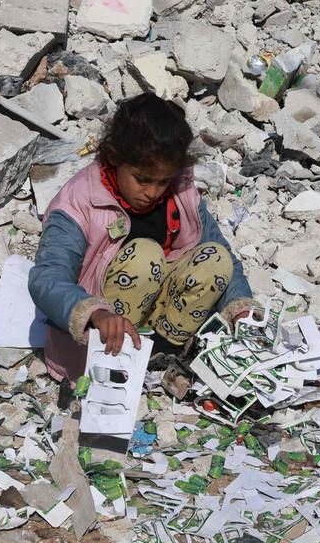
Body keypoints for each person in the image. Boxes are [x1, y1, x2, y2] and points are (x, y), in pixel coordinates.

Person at [28, 92, 255, 383]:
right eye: (143, 179)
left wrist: (241, 309)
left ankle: (164, 353)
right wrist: (96, 313)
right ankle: (121, 359)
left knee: (215, 259)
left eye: (163, 181)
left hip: (157, 314)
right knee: (144, 256)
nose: (153, 192)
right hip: (101, 335)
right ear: (114, 158)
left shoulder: (181, 190)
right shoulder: (78, 201)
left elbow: (223, 255)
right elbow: (47, 278)